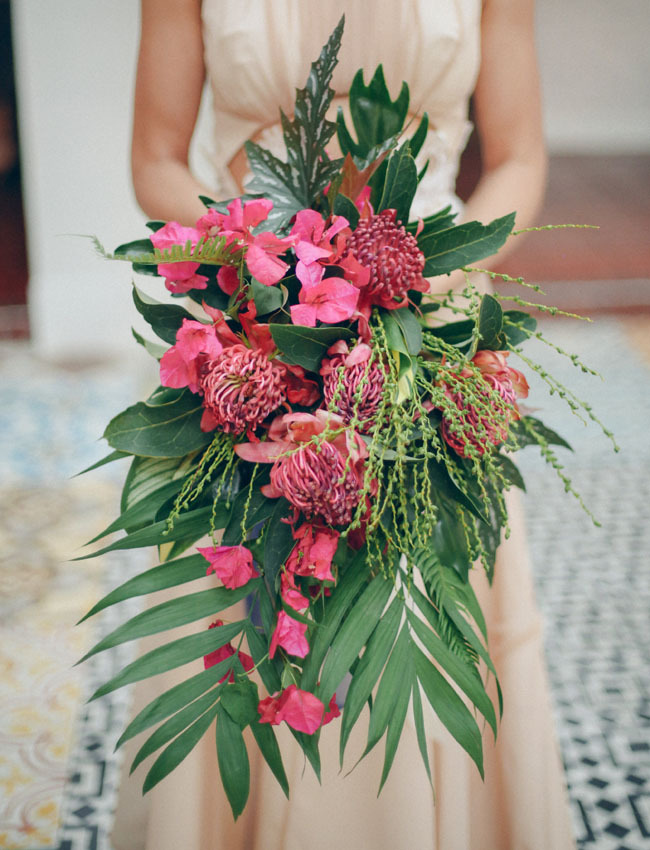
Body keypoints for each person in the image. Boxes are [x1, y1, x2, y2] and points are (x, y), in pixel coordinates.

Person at [112, 2, 576, 848]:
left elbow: (517, 158)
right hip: (252, 318)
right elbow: (155, 157)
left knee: (423, 618)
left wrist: (439, 268)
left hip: (422, 322)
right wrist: (264, 271)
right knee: (247, 618)